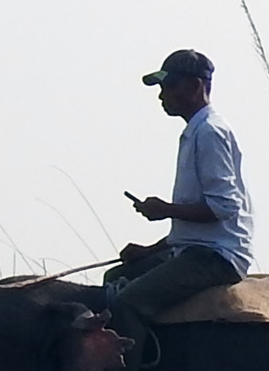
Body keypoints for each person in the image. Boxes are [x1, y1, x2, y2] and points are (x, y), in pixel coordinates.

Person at [103, 47, 253, 336]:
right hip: (194, 250)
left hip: (215, 259)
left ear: (196, 86)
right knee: (115, 277)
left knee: (128, 302)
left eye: (169, 86)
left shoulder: (210, 133)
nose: (162, 96)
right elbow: (192, 229)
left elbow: (224, 208)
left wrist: (165, 210)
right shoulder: (194, 132)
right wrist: (150, 250)